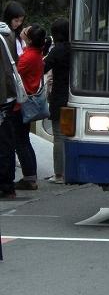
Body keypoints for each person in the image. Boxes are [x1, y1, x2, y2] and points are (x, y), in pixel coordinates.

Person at [12, 23, 46, 191]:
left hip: (21, 103)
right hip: (28, 101)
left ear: (30, 39)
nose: (23, 29)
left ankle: (29, 177)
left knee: (20, 142)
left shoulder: (28, 57)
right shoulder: (36, 53)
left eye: (27, 30)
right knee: (24, 140)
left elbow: (15, 75)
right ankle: (31, 176)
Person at [43, 18, 70, 184]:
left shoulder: (57, 50)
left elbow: (43, 67)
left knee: (59, 136)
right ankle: (71, 171)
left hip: (59, 96)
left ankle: (59, 174)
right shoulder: (75, 48)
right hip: (75, 96)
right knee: (71, 136)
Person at [0, 22, 18, 199]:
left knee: (4, 143)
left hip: (2, 97)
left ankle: (5, 184)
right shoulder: (8, 35)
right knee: (7, 142)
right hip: (8, 96)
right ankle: (8, 185)